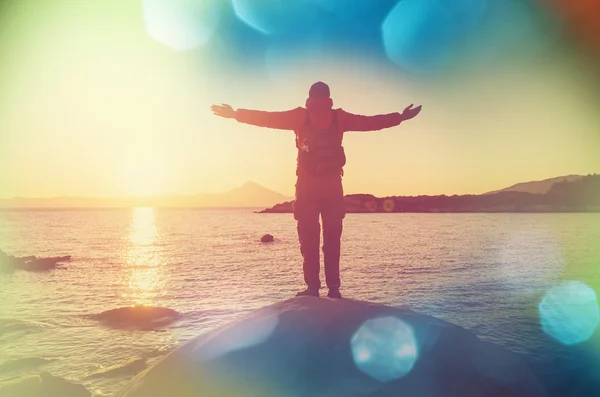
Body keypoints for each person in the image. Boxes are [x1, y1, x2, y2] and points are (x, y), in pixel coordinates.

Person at [211, 81, 422, 298]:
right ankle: (334, 289)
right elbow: (370, 122)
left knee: (309, 240)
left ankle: (312, 289)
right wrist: (400, 117)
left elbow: (268, 119)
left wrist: (236, 114)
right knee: (333, 240)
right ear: (329, 98)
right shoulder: (339, 118)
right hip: (332, 188)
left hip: (307, 188)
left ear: (309, 97)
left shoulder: (299, 116)